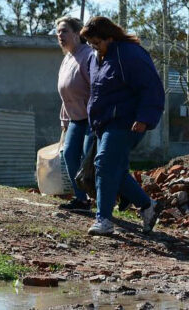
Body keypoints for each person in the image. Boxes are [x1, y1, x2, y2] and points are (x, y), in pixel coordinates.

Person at [80, 17, 165, 235]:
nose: (93, 47)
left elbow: (151, 88)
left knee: (105, 164)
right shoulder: (95, 57)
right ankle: (148, 206)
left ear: (110, 37)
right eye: (90, 43)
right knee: (114, 170)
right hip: (103, 123)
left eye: (97, 42)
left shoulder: (130, 54)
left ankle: (104, 220)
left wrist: (145, 117)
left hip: (127, 122)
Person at [53, 16, 94, 212]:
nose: (60, 35)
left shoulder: (88, 56)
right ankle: (82, 199)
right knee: (69, 155)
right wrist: (64, 119)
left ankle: (113, 197)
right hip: (75, 119)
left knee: (89, 158)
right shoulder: (67, 59)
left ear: (77, 34)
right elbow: (66, 94)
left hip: (91, 119)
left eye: (64, 31)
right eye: (58, 32)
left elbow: (96, 89)